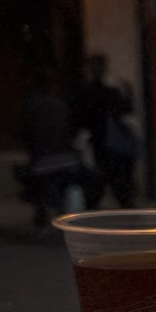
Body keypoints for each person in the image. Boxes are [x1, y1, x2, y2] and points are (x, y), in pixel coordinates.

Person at [21, 69, 101, 228]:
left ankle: (46, 219)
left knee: (45, 193)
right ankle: (57, 220)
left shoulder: (36, 106)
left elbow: (26, 132)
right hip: (61, 157)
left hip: (45, 158)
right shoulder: (57, 105)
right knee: (58, 191)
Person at [76, 54, 138, 208]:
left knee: (99, 194)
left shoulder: (94, 92)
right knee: (117, 193)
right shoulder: (106, 91)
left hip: (104, 148)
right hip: (107, 148)